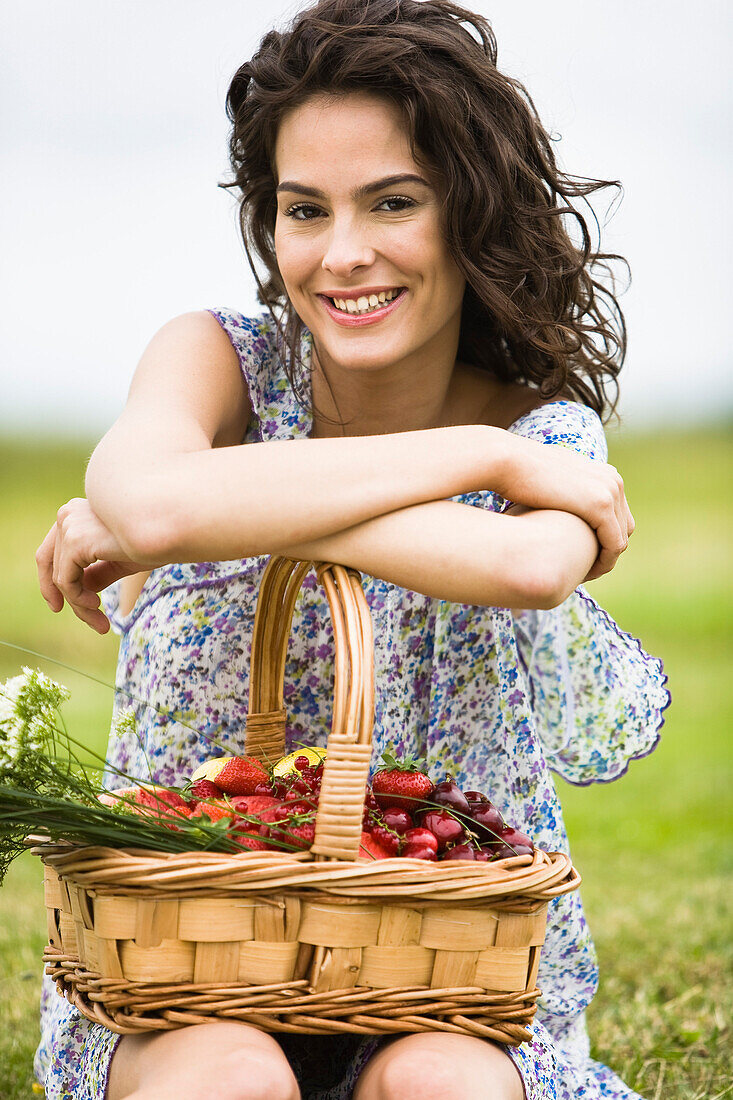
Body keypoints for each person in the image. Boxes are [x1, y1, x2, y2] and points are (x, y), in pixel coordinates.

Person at [33, 0, 670, 1097]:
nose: (342, 254)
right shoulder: (218, 359)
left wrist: (206, 506)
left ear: (466, 212)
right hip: (190, 959)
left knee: (440, 1087)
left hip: (439, 963)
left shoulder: (545, 429)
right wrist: (476, 461)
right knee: (234, 1078)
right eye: (302, 209)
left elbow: (526, 568)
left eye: (393, 202)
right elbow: (147, 499)